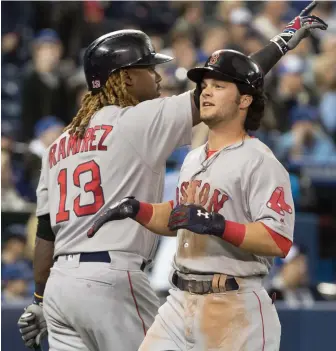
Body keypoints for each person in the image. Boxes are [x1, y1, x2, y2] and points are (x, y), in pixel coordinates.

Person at [17, 2, 328, 350]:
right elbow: (234, 82)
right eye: (149, 68)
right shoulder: (138, 121)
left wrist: (41, 299)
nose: (158, 77)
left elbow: (45, 236)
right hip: (113, 278)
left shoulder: (59, 144)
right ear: (126, 77)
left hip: (60, 286)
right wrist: (283, 40)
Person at [87, 48, 295, 351]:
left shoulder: (260, 160)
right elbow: (181, 217)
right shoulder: (194, 158)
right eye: (205, 86)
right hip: (179, 300)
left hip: (235, 305)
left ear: (245, 100)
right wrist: (137, 209)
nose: (207, 92)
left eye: (219, 86)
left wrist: (216, 224)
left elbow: (278, 239)